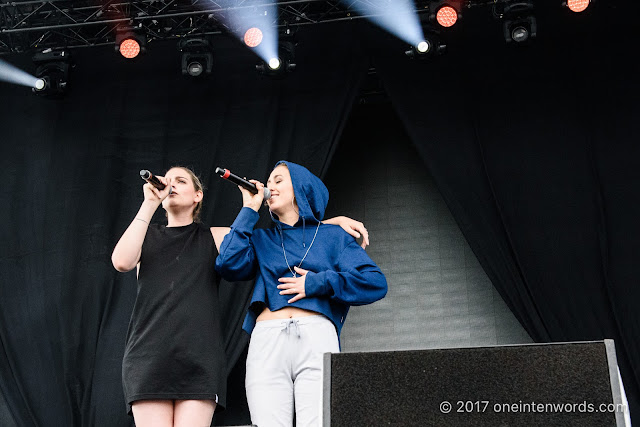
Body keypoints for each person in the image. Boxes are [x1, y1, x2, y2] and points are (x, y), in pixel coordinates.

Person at [111, 166, 369, 427]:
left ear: (198, 195)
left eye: (181, 180)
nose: (172, 184)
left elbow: (267, 241)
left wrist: (326, 226)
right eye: (169, 180)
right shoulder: (146, 236)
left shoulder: (214, 236)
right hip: (149, 353)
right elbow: (121, 261)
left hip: (198, 356)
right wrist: (150, 202)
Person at [215, 160, 388, 426]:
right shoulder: (263, 239)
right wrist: (250, 208)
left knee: (318, 422)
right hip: (267, 339)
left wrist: (318, 283)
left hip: (316, 335)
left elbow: (375, 282)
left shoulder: (333, 236)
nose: (270, 186)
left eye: (278, 180)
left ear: (301, 187)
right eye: (269, 182)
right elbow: (227, 263)